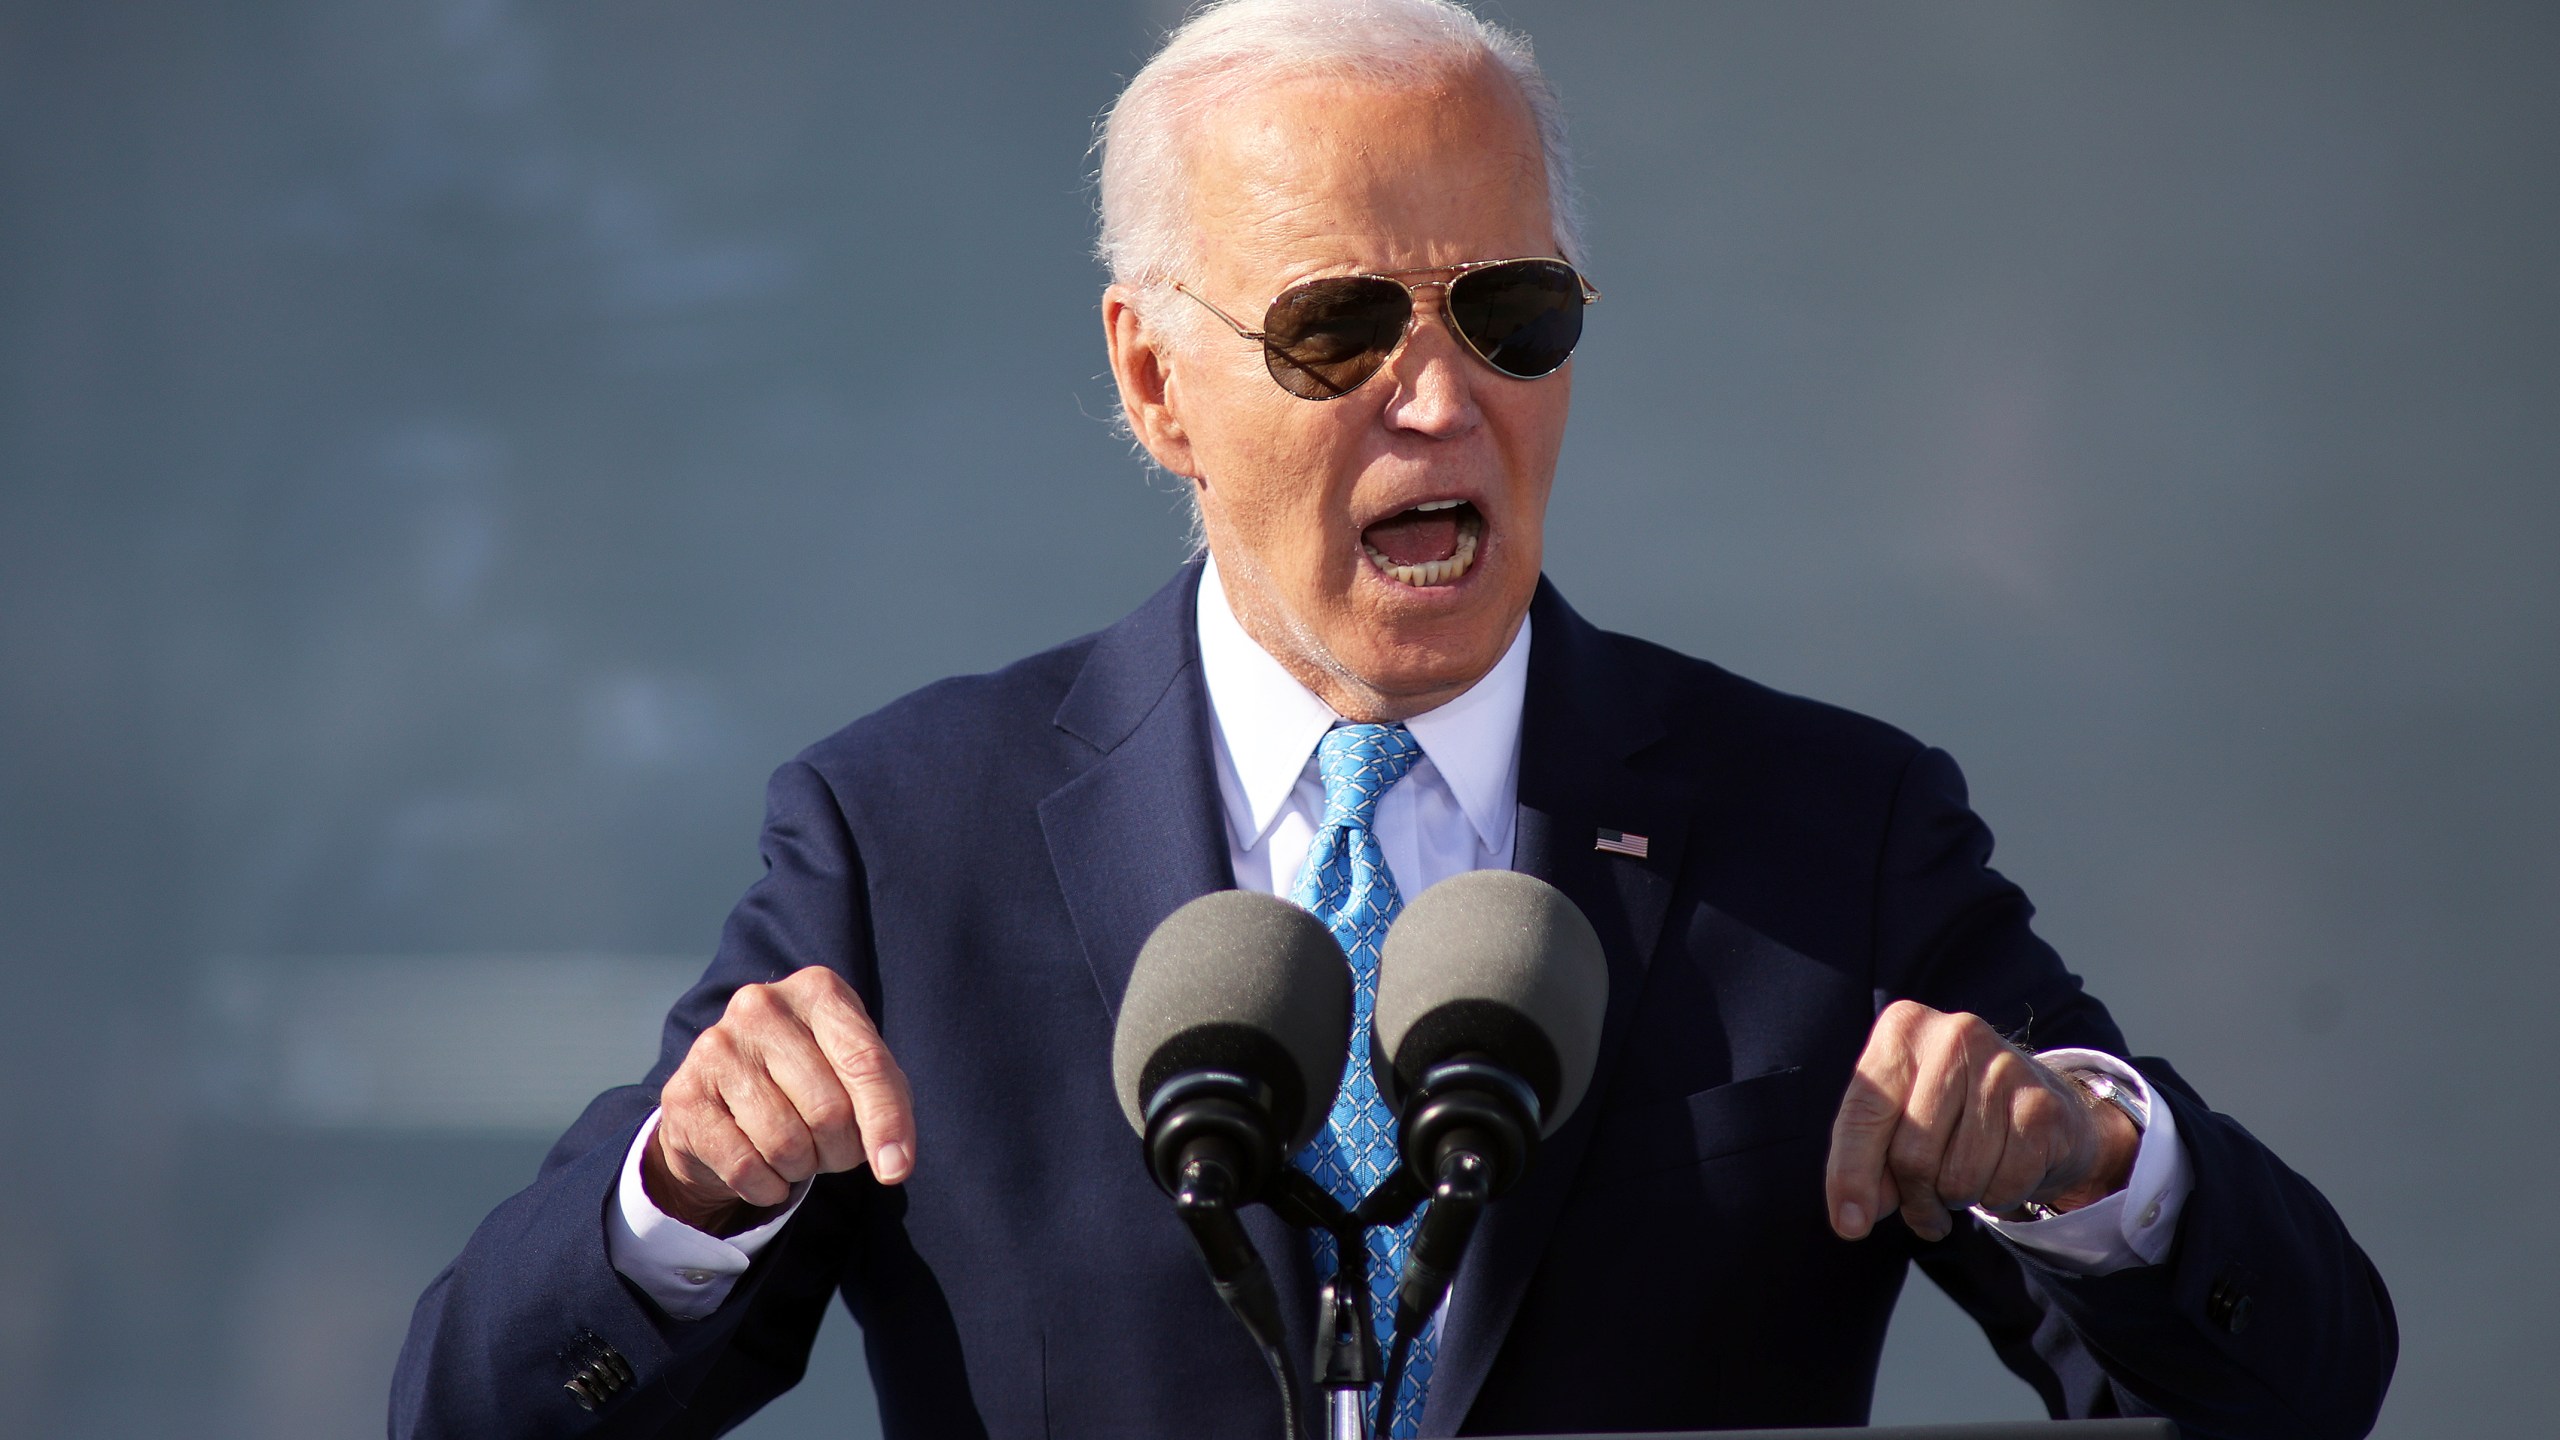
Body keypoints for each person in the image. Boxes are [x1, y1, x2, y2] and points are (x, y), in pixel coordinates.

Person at [391, 2, 2395, 1436]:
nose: (1439, 400)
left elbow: (2300, 1377)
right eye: (1340, 326)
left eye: (1508, 317)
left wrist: (2088, 1167)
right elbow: (476, 1410)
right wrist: (683, 1199)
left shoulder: (1825, 836)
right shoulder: (901, 841)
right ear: (1157, 385)